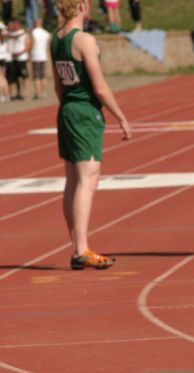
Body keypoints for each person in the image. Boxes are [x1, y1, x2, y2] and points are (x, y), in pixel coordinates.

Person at [51, 0, 132, 269]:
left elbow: (58, 86)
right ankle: (81, 249)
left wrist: (67, 109)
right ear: (83, 5)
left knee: (72, 179)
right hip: (84, 110)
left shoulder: (56, 39)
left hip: (67, 109)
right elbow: (99, 86)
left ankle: (77, 245)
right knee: (88, 178)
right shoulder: (84, 40)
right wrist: (120, 116)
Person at [30, 17, 49, 99]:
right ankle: (43, 92)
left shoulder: (33, 32)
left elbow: (32, 43)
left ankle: (37, 93)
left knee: (36, 76)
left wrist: (29, 54)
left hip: (35, 56)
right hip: (43, 56)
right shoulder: (46, 33)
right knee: (43, 75)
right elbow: (47, 46)